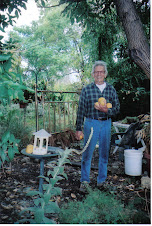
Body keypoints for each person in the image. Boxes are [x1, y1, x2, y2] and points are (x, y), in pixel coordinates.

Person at [75, 60, 120, 192]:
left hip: (106, 123)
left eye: (101, 71)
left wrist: (107, 111)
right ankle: (84, 181)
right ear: (93, 74)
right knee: (87, 153)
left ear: (105, 74)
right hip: (91, 123)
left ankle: (102, 181)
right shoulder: (87, 90)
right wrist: (78, 128)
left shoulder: (111, 89)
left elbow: (117, 108)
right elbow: (81, 110)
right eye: (96, 72)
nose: (99, 74)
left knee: (104, 154)